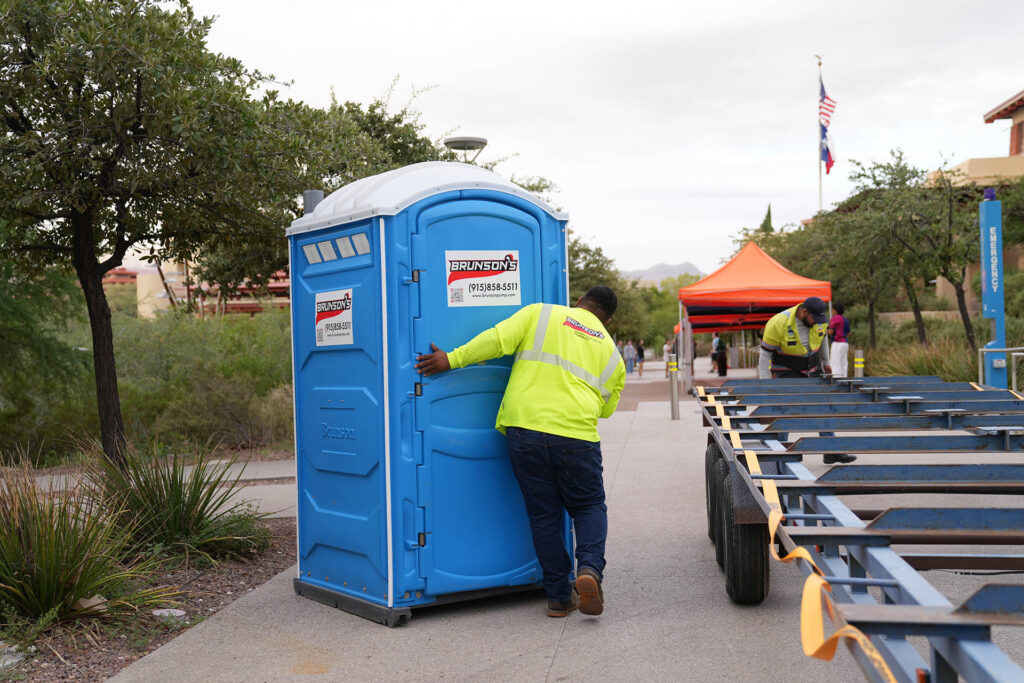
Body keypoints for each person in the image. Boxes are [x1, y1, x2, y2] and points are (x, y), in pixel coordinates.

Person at [415, 285, 625, 618]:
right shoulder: (614, 355)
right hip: (576, 436)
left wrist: (449, 359)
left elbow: (495, 340)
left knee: (544, 515)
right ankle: (589, 570)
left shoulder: (541, 314)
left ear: (580, 301)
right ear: (608, 320)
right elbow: (606, 409)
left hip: (524, 429)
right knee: (588, 506)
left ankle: (558, 597)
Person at [758, 297, 854, 464]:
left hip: (811, 365)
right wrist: (766, 385)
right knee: (786, 410)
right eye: (813, 319)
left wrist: (826, 363)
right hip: (786, 368)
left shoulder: (819, 320)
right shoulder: (777, 323)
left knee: (821, 408)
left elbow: (822, 338)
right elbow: (765, 354)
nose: (816, 322)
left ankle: (830, 451)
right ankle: (779, 451)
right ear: (804, 312)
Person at [828, 303, 851, 378]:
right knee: (843, 363)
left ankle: (836, 380)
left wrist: (821, 332)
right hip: (845, 343)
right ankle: (844, 379)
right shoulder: (845, 319)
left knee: (835, 363)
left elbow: (830, 331)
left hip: (837, 343)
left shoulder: (835, 318)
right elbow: (849, 333)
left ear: (835, 310)